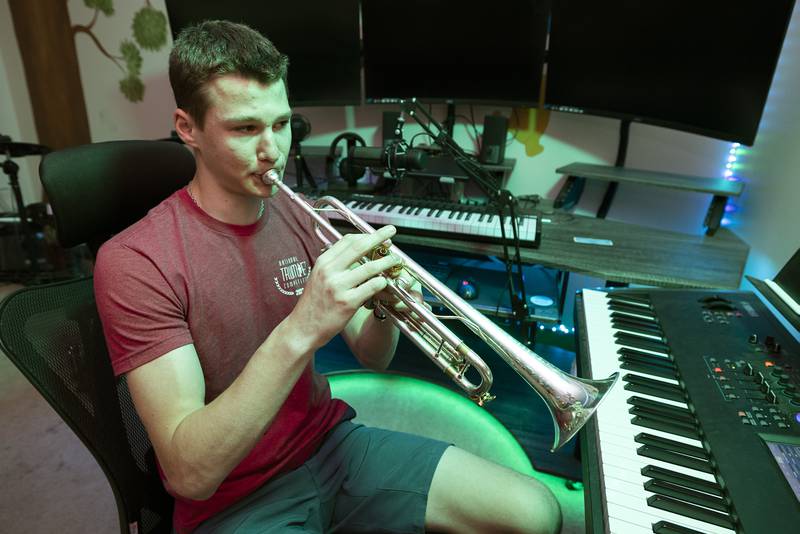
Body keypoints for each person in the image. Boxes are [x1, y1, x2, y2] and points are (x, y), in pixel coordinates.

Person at [94, 19, 562, 534]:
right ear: (188, 129)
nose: (273, 150)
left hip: (331, 446)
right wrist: (303, 326)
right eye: (245, 128)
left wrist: (389, 307)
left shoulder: (300, 213)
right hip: (234, 500)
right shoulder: (136, 260)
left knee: (535, 514)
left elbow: (372, 354)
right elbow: (190, 474)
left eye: (282, 124)